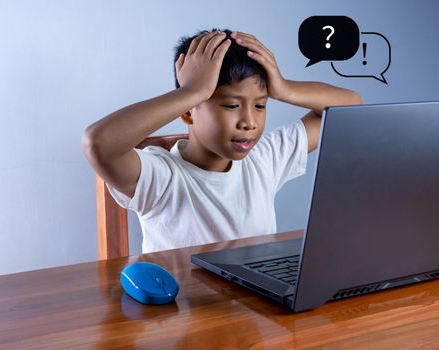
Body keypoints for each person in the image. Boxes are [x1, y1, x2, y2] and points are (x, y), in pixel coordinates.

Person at [83, 29, 362, 253]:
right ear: (187, 112)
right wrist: (194, 91)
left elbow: (350, 108)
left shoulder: (264, 159)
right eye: (231, 106)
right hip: (184, 317)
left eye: (260, 106)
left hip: (252, 312)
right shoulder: (160, 176)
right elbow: (99, 143)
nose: (249, 122)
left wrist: (284, 88)